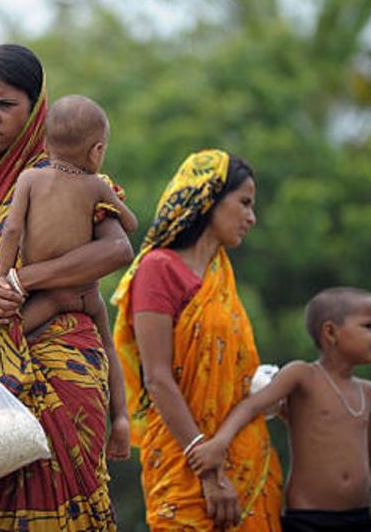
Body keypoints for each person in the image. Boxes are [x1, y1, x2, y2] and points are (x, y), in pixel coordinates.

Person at [0, 44, 134, 531]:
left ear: (36, 109)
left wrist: (21, 280)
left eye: (4, 105)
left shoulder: (74, 177)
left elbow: (115, 249)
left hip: (65, 360)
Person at [111, 149, 283, 530]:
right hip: (186, 460)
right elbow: (157, 378)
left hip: (245, 457)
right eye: (244, 203)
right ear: (208, 199)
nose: (251, 217)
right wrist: (208, 472)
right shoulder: (159, 269)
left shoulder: (221, 276)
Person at [186, 286, 371, 531]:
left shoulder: (370, 392)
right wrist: (219, 443)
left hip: (359, 519)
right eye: (369, 326)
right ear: (330, 332)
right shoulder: (302, 375)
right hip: (309, 519)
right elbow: (251, 406)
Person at [0, 94, 137, 461]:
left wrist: (2, 280)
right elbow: (130, 225)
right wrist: (109, 200)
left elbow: (11, 230)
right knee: (107, 346)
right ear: (97, 151)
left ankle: (8, 395)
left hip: (43, 296)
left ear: (43, 142)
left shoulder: (29, 178)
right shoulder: (96, 186)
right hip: (84, 293)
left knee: (7, 336)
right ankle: (120, 419)